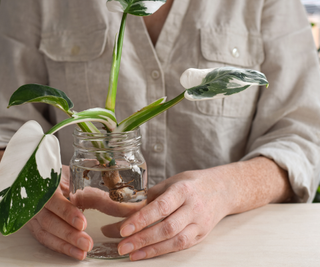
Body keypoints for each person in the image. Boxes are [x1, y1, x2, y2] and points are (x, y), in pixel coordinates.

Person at [1, 0, 320, 261]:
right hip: (72, 252)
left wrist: (226, 190)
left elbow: (302, 136)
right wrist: (29, 192)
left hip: (226, 253)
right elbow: (6, 124)